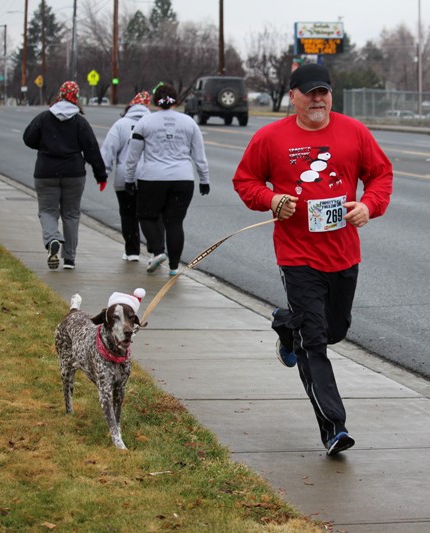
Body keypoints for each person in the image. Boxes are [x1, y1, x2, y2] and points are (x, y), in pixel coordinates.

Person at [232, 63, 393, 456]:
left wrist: (368, 207)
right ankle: (334, 428)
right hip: (297, 255)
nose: (318, 99)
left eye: (324, 91)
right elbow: (245, 180)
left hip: (343, 254)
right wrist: (271, 199)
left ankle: (286, 326)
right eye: (309, 92)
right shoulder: (271, 137)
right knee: (314, 344)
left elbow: (381, 175)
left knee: (334, 330)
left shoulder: (354, 132)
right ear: (294, 97)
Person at [124, 82, 210, 276]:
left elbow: (133, 155)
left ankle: (157, 250)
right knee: (175, 223)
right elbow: (199, 155)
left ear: (155, 101)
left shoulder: (145, 122)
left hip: (152, 178)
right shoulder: (189, 122)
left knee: (146, 216)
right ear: (175, 100)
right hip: (183, 178)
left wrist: (129, 179)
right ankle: (173, 267)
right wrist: (204, 179)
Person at [23, 81, 107, 270]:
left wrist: (45, 146)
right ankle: (69, 258)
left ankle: (52, 238)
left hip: (46, 172)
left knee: (47, 211)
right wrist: (101, 175)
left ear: (59, 95)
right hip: (74, 174)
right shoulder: (79, 122)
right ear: (76, 98)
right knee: (71, 214)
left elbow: (28, 138)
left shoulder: (44, 118)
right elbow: (92, 150)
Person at [100, 91, 164, 262]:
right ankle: (155, 250)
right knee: (152, 214)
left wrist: (103, 174)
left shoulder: (120, 125)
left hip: (123, 176)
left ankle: (132, 251)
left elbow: (108, 150)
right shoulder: (154, 124)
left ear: (130, 106)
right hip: (150, 176)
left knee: (128, 214)